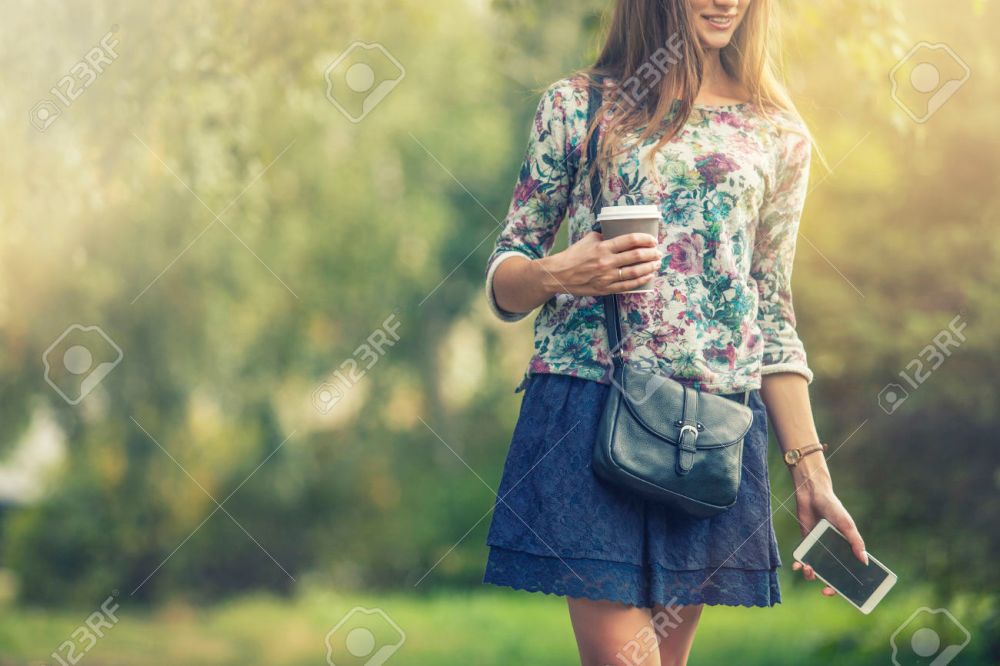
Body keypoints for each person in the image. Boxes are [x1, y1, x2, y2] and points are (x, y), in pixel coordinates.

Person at [481, 1, 869, 664]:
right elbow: (505, 274)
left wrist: (811, 472)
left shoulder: (776, 132)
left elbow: (771, 312)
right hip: (590, 410)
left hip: (707, 432)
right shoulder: (578, 106)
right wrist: (559, 272)